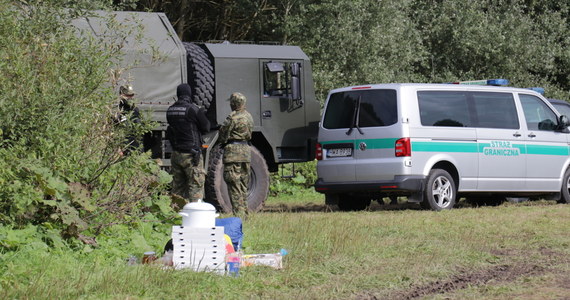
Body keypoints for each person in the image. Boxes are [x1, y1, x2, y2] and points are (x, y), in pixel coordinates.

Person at [166, 83, 210, 205]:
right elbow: (206, 127)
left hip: (176, 154)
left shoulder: (170, 110)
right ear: (189, 94)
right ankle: (195, 217)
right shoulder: (193, 109)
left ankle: (174, 217)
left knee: (177, 190)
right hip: (191, 155)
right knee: (195, 187)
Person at [218, 92, 254, 218]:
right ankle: (245, 213)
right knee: (244, 185)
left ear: (233, 103)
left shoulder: (232, 118)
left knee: (234, 185)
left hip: (233, 153)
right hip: (246, 152)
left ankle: (238, 215)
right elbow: (250, 133)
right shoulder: (249, 116)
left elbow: (222, 135)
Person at [117, 84, 141, 155]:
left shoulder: (134, 109)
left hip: (133, 145)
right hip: (122, 145)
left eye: (132, 95)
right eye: (128, 95)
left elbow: (138, 127)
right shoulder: (118, 109)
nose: (130, 97)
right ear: (121, 95)